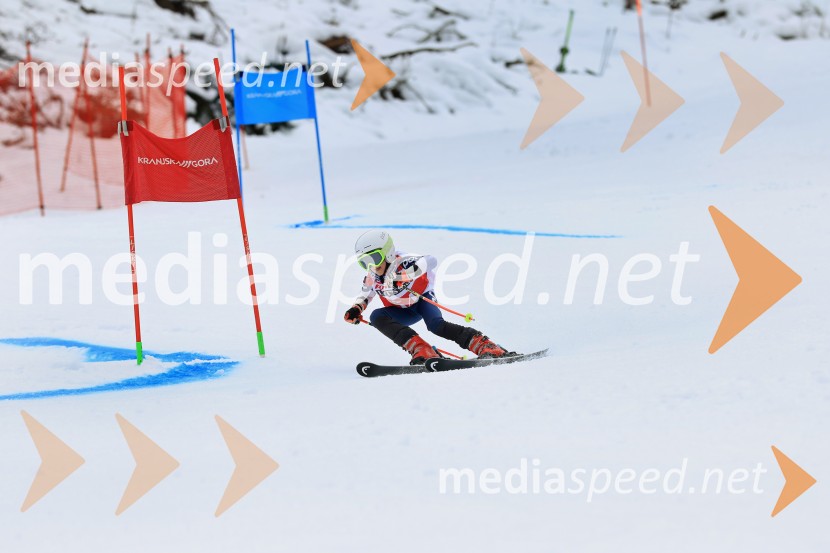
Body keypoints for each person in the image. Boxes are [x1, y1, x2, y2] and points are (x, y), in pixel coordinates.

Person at [343, 229, 513, 365]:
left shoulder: (404, 261)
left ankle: (485, 345)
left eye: (375, 258)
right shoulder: (372, 274)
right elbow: (366, 293)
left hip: (421, 301)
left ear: (387, 253)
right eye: (364, 262)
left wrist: (404, 276)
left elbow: (431, 260)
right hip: (401, 311)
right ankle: (422, 350)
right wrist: (356, 308)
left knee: (436, 326)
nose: (372, 265)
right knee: (377, 316)